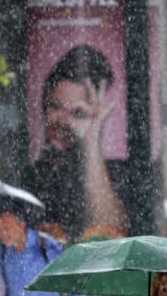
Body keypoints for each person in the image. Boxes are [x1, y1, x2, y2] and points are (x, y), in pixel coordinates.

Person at [23, 44, 128, 242]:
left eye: (77, 113)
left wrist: (92, 139)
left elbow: (112, 234)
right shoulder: (33, 173)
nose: (63, 121)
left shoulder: (112, 173)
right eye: (56, 106)